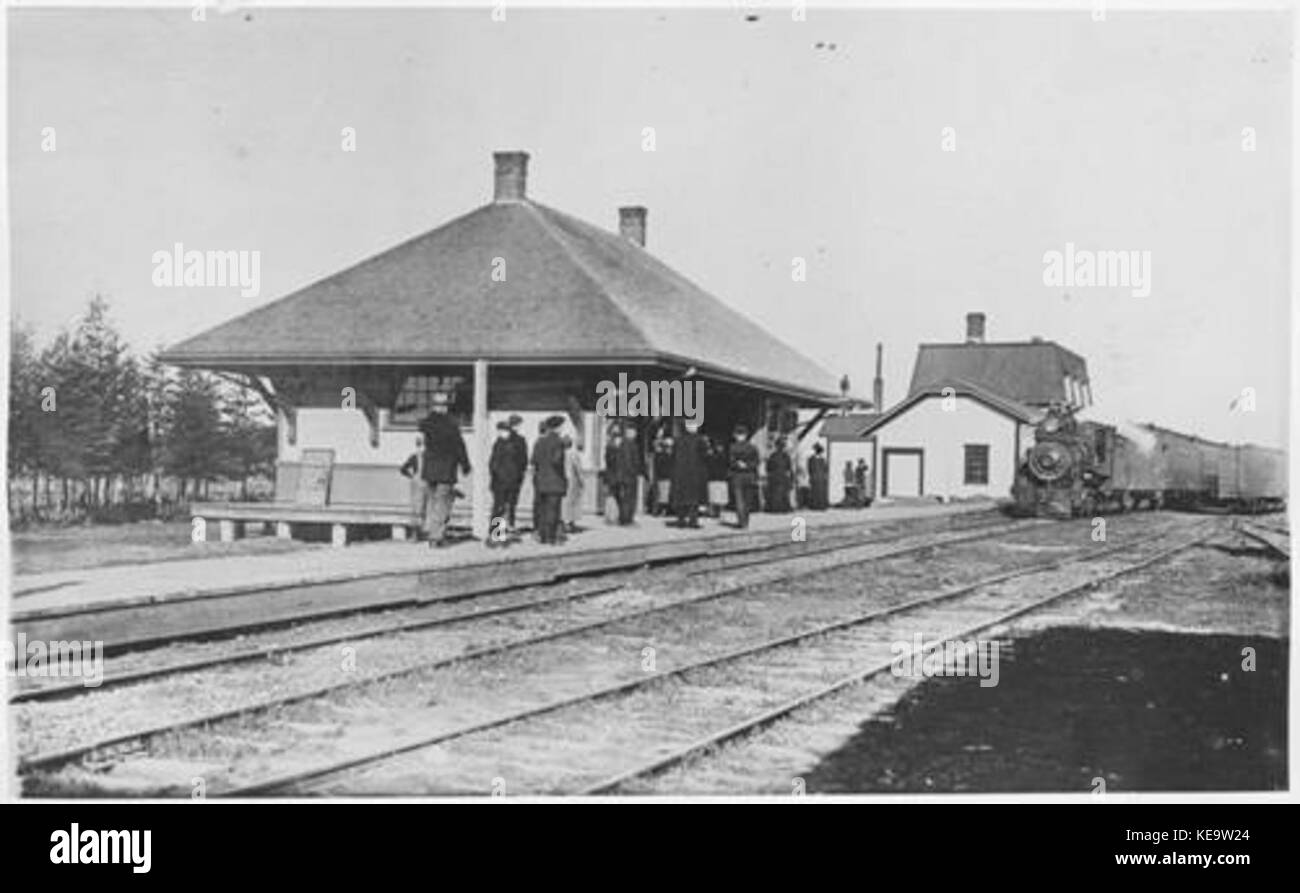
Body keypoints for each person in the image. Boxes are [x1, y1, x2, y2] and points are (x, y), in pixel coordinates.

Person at [417, 399, 471, 547]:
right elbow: (460, 447)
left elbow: (420, 444)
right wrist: (465, 465)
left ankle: (429, 530)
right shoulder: (451, 425)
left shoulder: (425, 423)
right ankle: (436, 536)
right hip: (446, 470)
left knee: (432, 501)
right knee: (443, 503)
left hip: (429, 470)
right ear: (445, 408)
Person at [531, 415, 568, 544]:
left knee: (542, 510)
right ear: (558, 427)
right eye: (562, 426)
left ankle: (542, 536)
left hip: (541, 482)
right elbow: (557, 461)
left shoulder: (539, 441)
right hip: (555, 482)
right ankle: (551, 537)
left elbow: (534, 460)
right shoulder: (558, 442)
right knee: (553, 511)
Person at [488, 417, 528, 536]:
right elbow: (522, 461)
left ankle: (500, 530)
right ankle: (500, 530)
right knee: (505, 505)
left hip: (505, 480)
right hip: (507, 479)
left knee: (503, 505)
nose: (501, 433)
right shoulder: (507, 443)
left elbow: (493, 464)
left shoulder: (501, 443)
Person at [670, 420, 709, 528]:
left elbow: (672, 457)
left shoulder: (678, 441)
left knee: (682, 498)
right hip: (695, 473)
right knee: (694, 500)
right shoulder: (700, 440)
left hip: (681, 473)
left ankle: (681, 520)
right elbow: (705, 456)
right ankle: (693, 521)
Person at [605, 423, 645, 525]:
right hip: (628, 476)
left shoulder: (613, 444)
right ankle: (626, 518)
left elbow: (608, 461)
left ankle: (623, 517)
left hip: (618, 476)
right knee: (628, 498)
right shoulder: (630, 445)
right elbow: (634, 461)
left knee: (621, 498)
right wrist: (636, 471)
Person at [727, 424, 760, 529]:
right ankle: (745, 521)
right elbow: (757, 462)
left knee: (739, 500)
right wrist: (748, 465)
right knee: (747, 500)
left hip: (737, 476)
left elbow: (730, 462)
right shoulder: (752, 447)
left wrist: (739, 464)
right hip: (750, 475)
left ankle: (742, 522)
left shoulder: (732, 448)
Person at [398, 433, 431, 538]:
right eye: (421, 445)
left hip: (425, 483)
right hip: (419, 484)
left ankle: (423, 533)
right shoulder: (416, 457)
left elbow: (403, 469)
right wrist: (412, 476)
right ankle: (416, 534)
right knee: (418, 509)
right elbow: (403, 469)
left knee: (425, 508)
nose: (422, 448)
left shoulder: (428, 457)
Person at [560, 433, 586, 534]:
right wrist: (582, 480)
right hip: (572, 480)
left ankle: (564, 522)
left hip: (562, 479)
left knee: (564, 502)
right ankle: (569, 522)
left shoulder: (561, 452)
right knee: (572, 502)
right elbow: (578, 468)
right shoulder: (573, 453)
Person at [765, 437, 793, 513]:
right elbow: (789, 468)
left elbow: (768, 467)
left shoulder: (772, 456)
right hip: (783, 475)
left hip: (774, 476)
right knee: (783, 493)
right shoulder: (786, 456)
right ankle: (783, 508)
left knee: (775, 493)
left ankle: (775, 508)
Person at [705, 436, 729, 518]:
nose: (720, 448)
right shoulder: (712, 455)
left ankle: (719, 512)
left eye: (721, 446)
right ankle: (713, 512)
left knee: (720, 497)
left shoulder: (724, 455)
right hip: (713, 477)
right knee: (713, 497)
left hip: (721, 478)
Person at [652, 435, 674, 515]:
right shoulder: (662, 456)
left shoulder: (664, 456)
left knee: (664, 495)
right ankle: (662, 510)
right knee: (663, 495)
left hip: (666, 477)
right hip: (664, 477)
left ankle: (664, 510)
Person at [808, 443, 829, 510]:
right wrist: (812, 476)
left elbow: (825, 468)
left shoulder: (822, 459)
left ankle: (821, 506)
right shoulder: (811, 459)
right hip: (815, 477)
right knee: (815, 492)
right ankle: (815, 505)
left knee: (821, 492)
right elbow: (810, 469)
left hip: (821, 478)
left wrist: (825, 476)